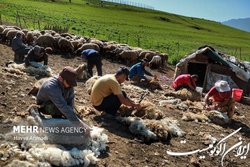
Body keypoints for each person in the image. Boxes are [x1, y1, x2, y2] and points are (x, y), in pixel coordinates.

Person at [36, 66, 91, 136]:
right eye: (69, 83)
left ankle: (67, 118)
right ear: (61, 79)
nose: (70, 86)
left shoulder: (68, 85)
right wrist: (81, 125)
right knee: (64, 113)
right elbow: (63, 107)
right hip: (45, 105)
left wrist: (74, 118)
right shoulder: (51, 87)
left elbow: (70, 101)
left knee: (74, 115)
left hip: (59, 101)